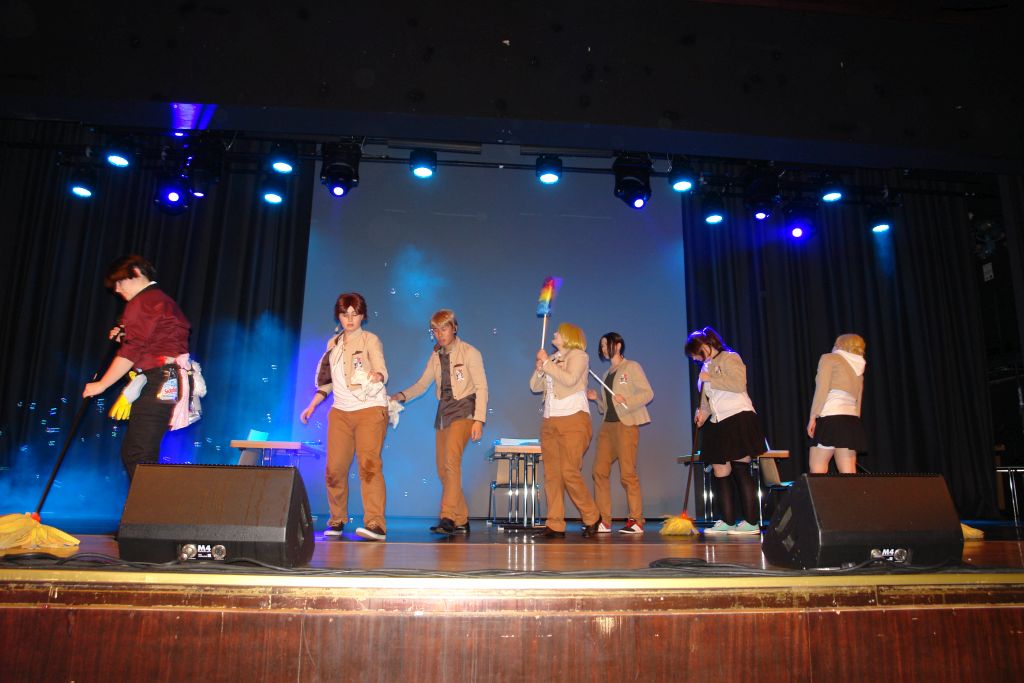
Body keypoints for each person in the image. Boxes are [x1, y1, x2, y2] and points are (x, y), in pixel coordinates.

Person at [83, 255, 192, 480]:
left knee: (138, 453)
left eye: (119, 282)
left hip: (158, 379)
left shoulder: (143, 302)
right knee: (139, 452)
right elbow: (156, 340)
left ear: (136, 272)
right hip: (167, 379)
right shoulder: (160, 300)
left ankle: (151, 503)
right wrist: (126, 336)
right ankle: (148, 501)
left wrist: (102, 384)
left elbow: (131, 352)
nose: (116, 290)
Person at [300, 292, 389, 542]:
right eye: (344, 314)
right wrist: (312, 405)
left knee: (369, 466)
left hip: (369, 408)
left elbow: (381, 369)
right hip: (340, 412)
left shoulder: (370, 340)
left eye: (355, 314)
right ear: (338, 316)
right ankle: (337, 519)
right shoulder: (334, 343)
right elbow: (328, 381)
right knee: (334, 469)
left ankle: (375, 524)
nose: (350, 319)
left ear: (362, 316)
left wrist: (377, 376)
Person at [392, 309, 488, 535]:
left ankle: (447, 517)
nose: (440, 334)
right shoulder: (436, 356)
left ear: (454, 328)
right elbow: (421, 385)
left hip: (465, 411)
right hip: (444, 414)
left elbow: (482, 387)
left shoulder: (470, 352)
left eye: (444, 328)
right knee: (443, 469)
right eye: (435, 330)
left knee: (451, 462)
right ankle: (461, 518)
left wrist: (479, 419)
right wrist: (400, 396)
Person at [684, 326, 764, 535]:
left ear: (704, 346)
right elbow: (708, 401)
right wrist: (702, 414)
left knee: (740, 467)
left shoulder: (730, 357)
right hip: (718, 422)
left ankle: (751, 522)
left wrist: (710, 378)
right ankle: (727, 520)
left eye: (695, 354)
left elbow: (738, 384)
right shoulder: (705, 369)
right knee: (720, 471)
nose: (695, 359)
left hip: (738, 417)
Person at [530, 322, 602, 538]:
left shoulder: (579, 356)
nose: (554, 333)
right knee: (552, 474)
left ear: (569, 336)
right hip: (549, 421)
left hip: (574, 419)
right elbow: (534, 386)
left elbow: (570, 379)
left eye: (558, 332)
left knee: (569, 472)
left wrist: (547, 364)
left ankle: (592, 516)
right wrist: (540, 368)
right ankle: (555, 524)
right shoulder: (551, 358)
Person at [586, 332, 653, 534]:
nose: (603, 348)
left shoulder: (631, 367)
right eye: (601, 346)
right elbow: (607, 408)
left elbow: (648, 393)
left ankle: (636, 520)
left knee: (627, 473)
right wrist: (597, 399)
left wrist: (627, 400)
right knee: (599, 471)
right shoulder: (606, 374)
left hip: (626, 425)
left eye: (606, 344)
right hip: (607, 426)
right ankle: (604, 521)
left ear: (618, 345)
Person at [807, 333, 867, 474]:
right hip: (851, 421)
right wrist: (855, 423)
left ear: (839, 345)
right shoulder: (859, 366)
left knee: (817, 469)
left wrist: (813, 416)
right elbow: (858, 399)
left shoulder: (829, 358)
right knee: (848, 472)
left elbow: (822, 388)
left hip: (831, 417)